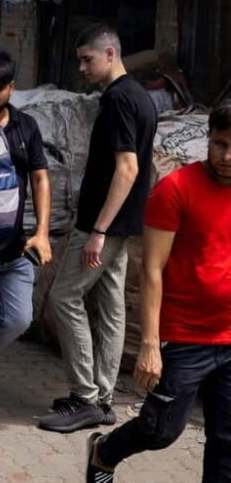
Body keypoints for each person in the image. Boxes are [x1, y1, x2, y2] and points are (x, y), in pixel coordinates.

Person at [85, 102, 231, 483]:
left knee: (227, 442)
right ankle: (104, 451)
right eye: (219, 143)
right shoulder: (177, 188)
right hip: (186, 335)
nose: (227, 156)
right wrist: (150, 343)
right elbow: (151, 269)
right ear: (208, 139)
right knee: (161, 429)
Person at [39, 23, 157, 433]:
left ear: (110, 54)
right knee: (110, 306)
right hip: (121, 225)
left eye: (88, 59)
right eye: (80, 61)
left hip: (104, 226)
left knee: (64, 297)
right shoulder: (138, 97)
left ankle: (85, 396)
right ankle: (103, 398)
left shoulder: (121, 100)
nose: (83, 68)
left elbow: (128, 169)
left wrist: (99, 230)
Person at [0, 50, 52, 359]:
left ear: (11, 88)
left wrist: (42, 233)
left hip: (14, 247)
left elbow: (40, 179)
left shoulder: (26, 126)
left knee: (19, 319)